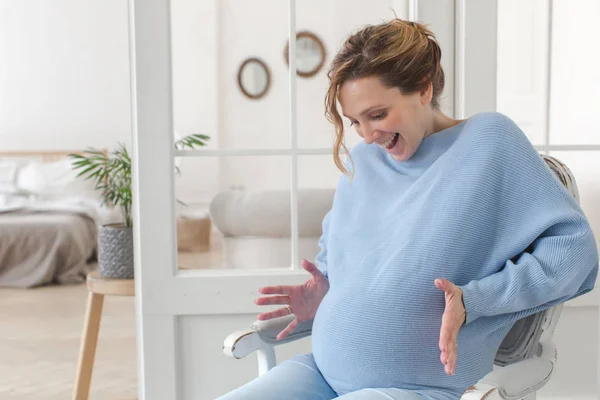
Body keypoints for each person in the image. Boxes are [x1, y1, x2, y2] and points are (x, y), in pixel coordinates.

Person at [218, 18, 599, 400]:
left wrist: (474, 300)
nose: (368, 136)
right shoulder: (364, 163)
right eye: (355, 122)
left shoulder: (488, 142)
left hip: (420, 389)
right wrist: (326, 295)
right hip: (321, 374)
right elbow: (350, 265)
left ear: (423, 88)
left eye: (378, 115)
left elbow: (574, 254)